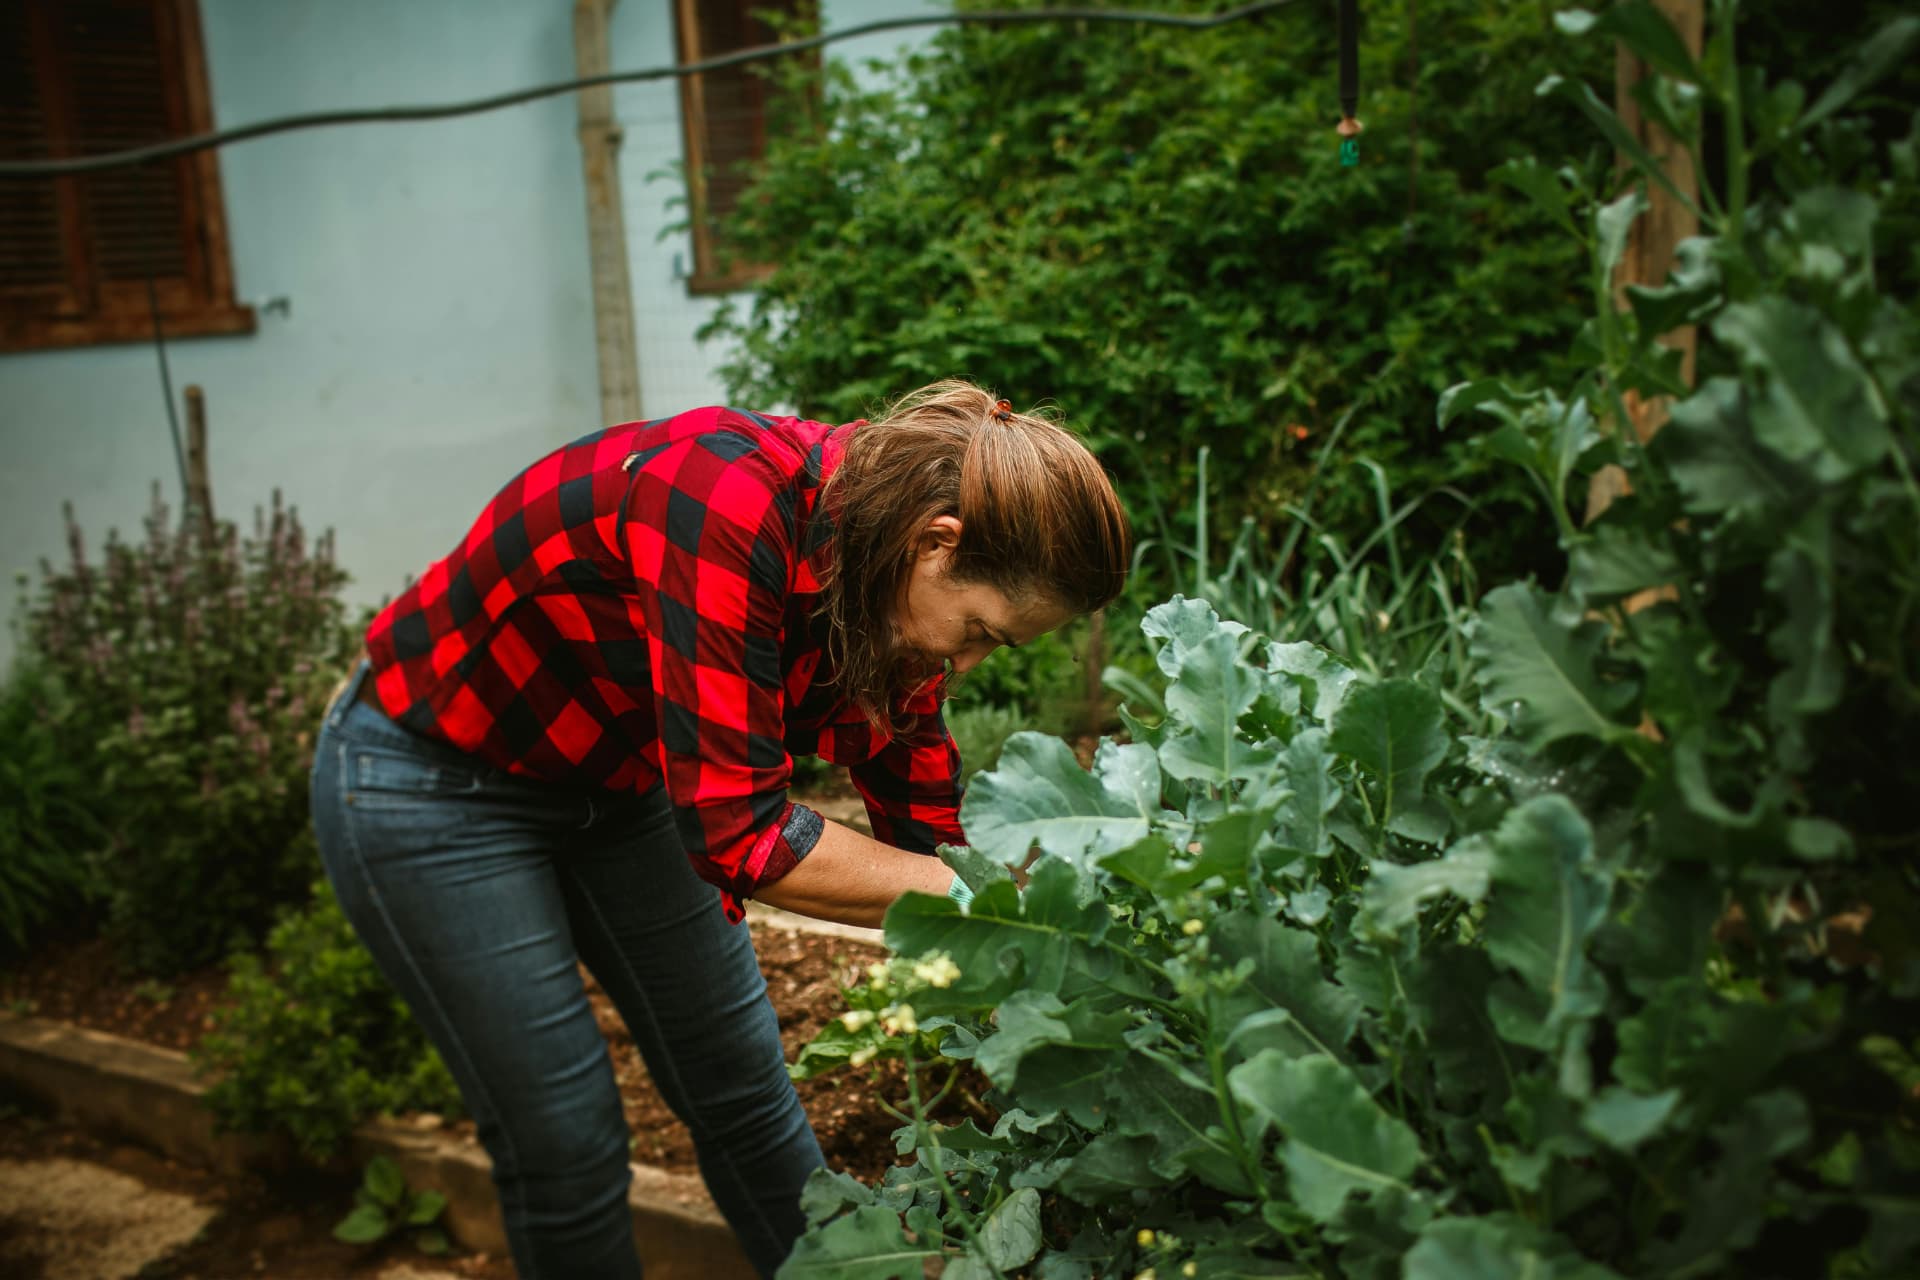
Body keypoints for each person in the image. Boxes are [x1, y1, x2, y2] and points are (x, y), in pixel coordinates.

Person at [309, 379, 1131, 1279]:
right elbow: (742, 837)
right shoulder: (723, 503)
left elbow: (920, 805)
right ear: (939, 543)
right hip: (436, 781)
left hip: (623, 782)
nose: (965, 659)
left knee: (744, 1093)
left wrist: (1040, 972)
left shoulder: (886, 558)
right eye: (979, 631)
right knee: (567, 1139)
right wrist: (977, 896)